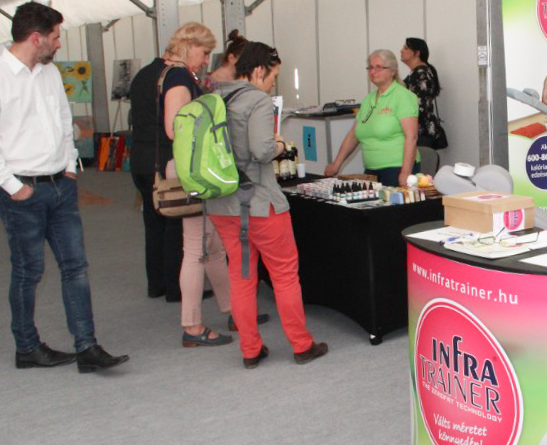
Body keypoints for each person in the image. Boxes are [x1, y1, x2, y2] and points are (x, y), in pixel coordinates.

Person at [0, 1, 129, 373]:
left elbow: (62, 119)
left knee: (76, 267)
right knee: (28, 272)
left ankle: (87, 347)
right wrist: (12, 186)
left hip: (61, 186)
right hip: (22, 192)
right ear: (36, 38)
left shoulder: (49, 72)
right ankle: (27, 347)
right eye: (55, 38)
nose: (59, 44)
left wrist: (70, 166)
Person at [207, 41, 328, 368]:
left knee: (241, 277)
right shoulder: (257, 100)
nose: (274, 84)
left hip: (223, 205)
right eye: (273, 77)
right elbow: (261, 151)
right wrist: (279, 145)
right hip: (260, 204)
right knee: (285, 275)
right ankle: (301, 345)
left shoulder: (216, 97)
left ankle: (250, 350)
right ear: (259, 70)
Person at [131, 22, 234, 347]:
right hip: (181, 169)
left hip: (153, 164)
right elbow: (176, 128)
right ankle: (192, 325)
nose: (205, 61)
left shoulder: (149, 74)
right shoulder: (178, 77)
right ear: (189, 46)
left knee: (211, 244)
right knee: (195, 249)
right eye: (204, 53)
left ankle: (233, 308)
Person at [324, 49, 420, 186]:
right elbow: (353, 135)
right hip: (371, 171)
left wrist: (405, 172)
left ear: (393, 71)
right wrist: (336, 164)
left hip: (397, 168)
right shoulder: (368, 99)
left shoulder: (403, 96)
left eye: (379, 67)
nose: (373, 72)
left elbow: (412, 137)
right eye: (370, 67)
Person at [400, 37, 442, 149]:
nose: (401, 51)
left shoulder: (420, 73)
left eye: (406, 48)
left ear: (417, 53)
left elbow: (419, 104)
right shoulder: (419, 72)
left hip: (420, 132)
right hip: (420, 131)